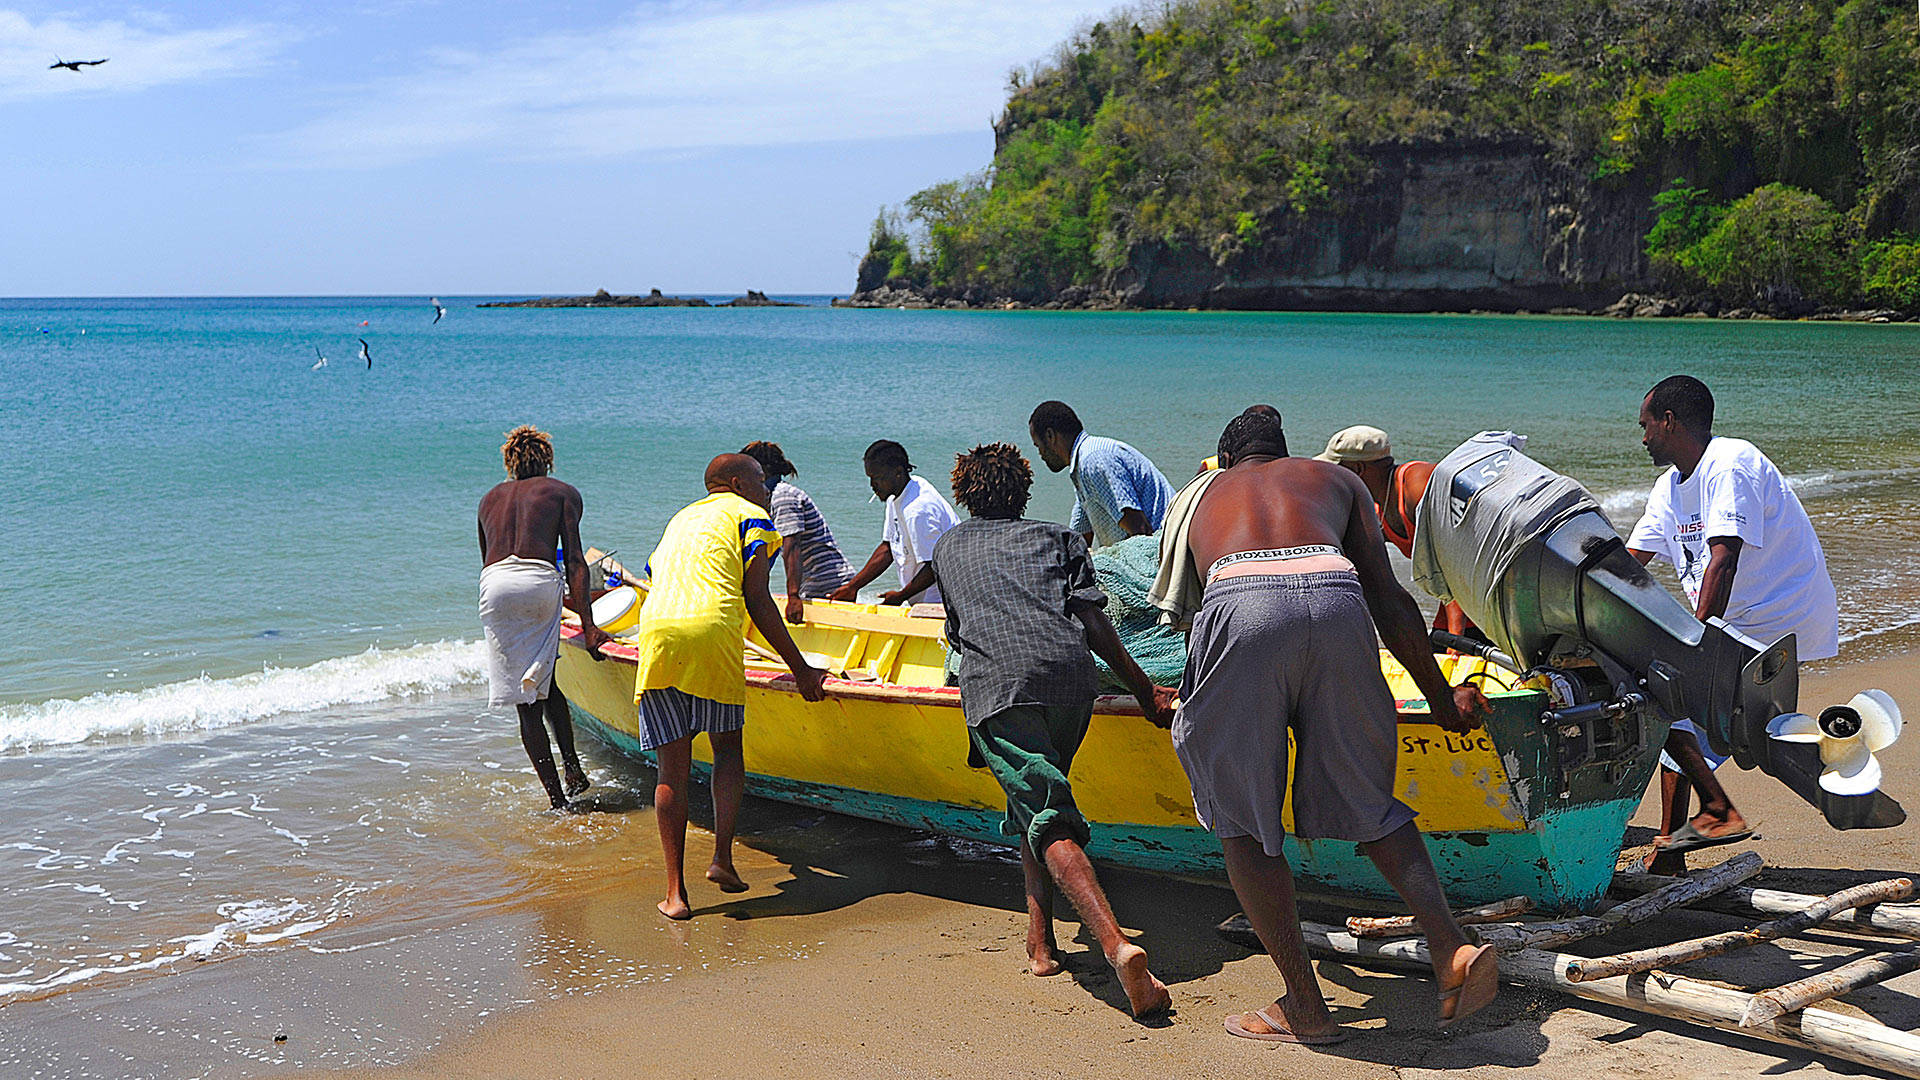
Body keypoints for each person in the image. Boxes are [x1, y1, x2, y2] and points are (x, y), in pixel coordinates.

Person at [1168, 410, 1498, 1043]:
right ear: (1285, 454)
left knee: (1243, 823)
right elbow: (1391, 600)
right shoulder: (1336, 482)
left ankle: (1306, 1006)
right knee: (1369, 799)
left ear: (1226, 457)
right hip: (1337, 595)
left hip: (1241, 602)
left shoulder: (1199, 493)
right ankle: (1450, 948)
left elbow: (1189, 619)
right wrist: (1438, 695)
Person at [884, 443, 1175, 1018]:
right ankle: (1041, 943)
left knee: (1046, 811)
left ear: (965, 494)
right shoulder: (1060, 538)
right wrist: (1144, 690)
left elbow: (961, 628)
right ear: (1023, 492)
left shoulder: (948, 545)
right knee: (1034, 803)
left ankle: (1117, 947)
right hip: (1070, 684)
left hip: (1000, 687)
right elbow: (1095, 622)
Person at [1628, 375, 1839, 873]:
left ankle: (1680, 843)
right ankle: (1694, 830)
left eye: (1646, 425)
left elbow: (1724, 559)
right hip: (1737, 616)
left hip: (1776, 614)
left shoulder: (1732, 462)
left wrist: (1695, 646)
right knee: (1688, 717)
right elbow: (1630, 565)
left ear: (1669, 421)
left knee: (1696, 713)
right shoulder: (1668, 486)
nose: (1642, 438)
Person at [632, 454, 829, 919]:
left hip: (656, 637)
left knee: (671, 770)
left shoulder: (679, 519)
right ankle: (721, 858)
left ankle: (676, 895)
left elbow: (660, 577)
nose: (767, 491)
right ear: (738, 483)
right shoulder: (752, 516)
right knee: (726, 750)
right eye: (762, 481)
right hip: (713, 634)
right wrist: (800, 669)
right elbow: (757, 597)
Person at [477, 425, 609, 810]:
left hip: (494, 586)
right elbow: (575, 561)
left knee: (528, 698)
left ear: (510, 461)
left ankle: (557, 800)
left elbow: (487, 557)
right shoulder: (562, 492)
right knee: (545, 678)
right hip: (538, 580)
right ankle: (571, 770)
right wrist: (589, 627)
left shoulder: (488, 500)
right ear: (547, 459)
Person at [1314, 425, 1476, 638]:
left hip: (1496, 600)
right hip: (1461, 604)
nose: (1330, 479)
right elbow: (1361, 571)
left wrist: (1456, 636)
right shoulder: (1378, 508)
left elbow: (1455, 563)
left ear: (1357, 470)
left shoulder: (1417, 486)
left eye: (1335, 471)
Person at [1028, 401, 1175, 548]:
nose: (1040, 454)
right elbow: (1078, 542)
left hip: (1167, 545)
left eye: (1038, 446)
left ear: (1050, 436)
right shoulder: (1081, 469)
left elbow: (1141, 529)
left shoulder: (1094, 461)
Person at [829, 440, 957, 605]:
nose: (872, 486)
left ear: (898, 472)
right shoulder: (899, 493)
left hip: (943, 602)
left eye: (877, 478)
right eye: (870, 478)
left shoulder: (918, 510)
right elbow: (888, 548)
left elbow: (935, 566)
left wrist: (900, 596)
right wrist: (853, 587)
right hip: (922, 600)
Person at [740, 440, 854, 623]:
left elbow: (791, 546)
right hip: (813, 583)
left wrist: (793, 596)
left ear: (762, 471)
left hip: (829, 583)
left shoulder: (783, 497)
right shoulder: (769, 498)